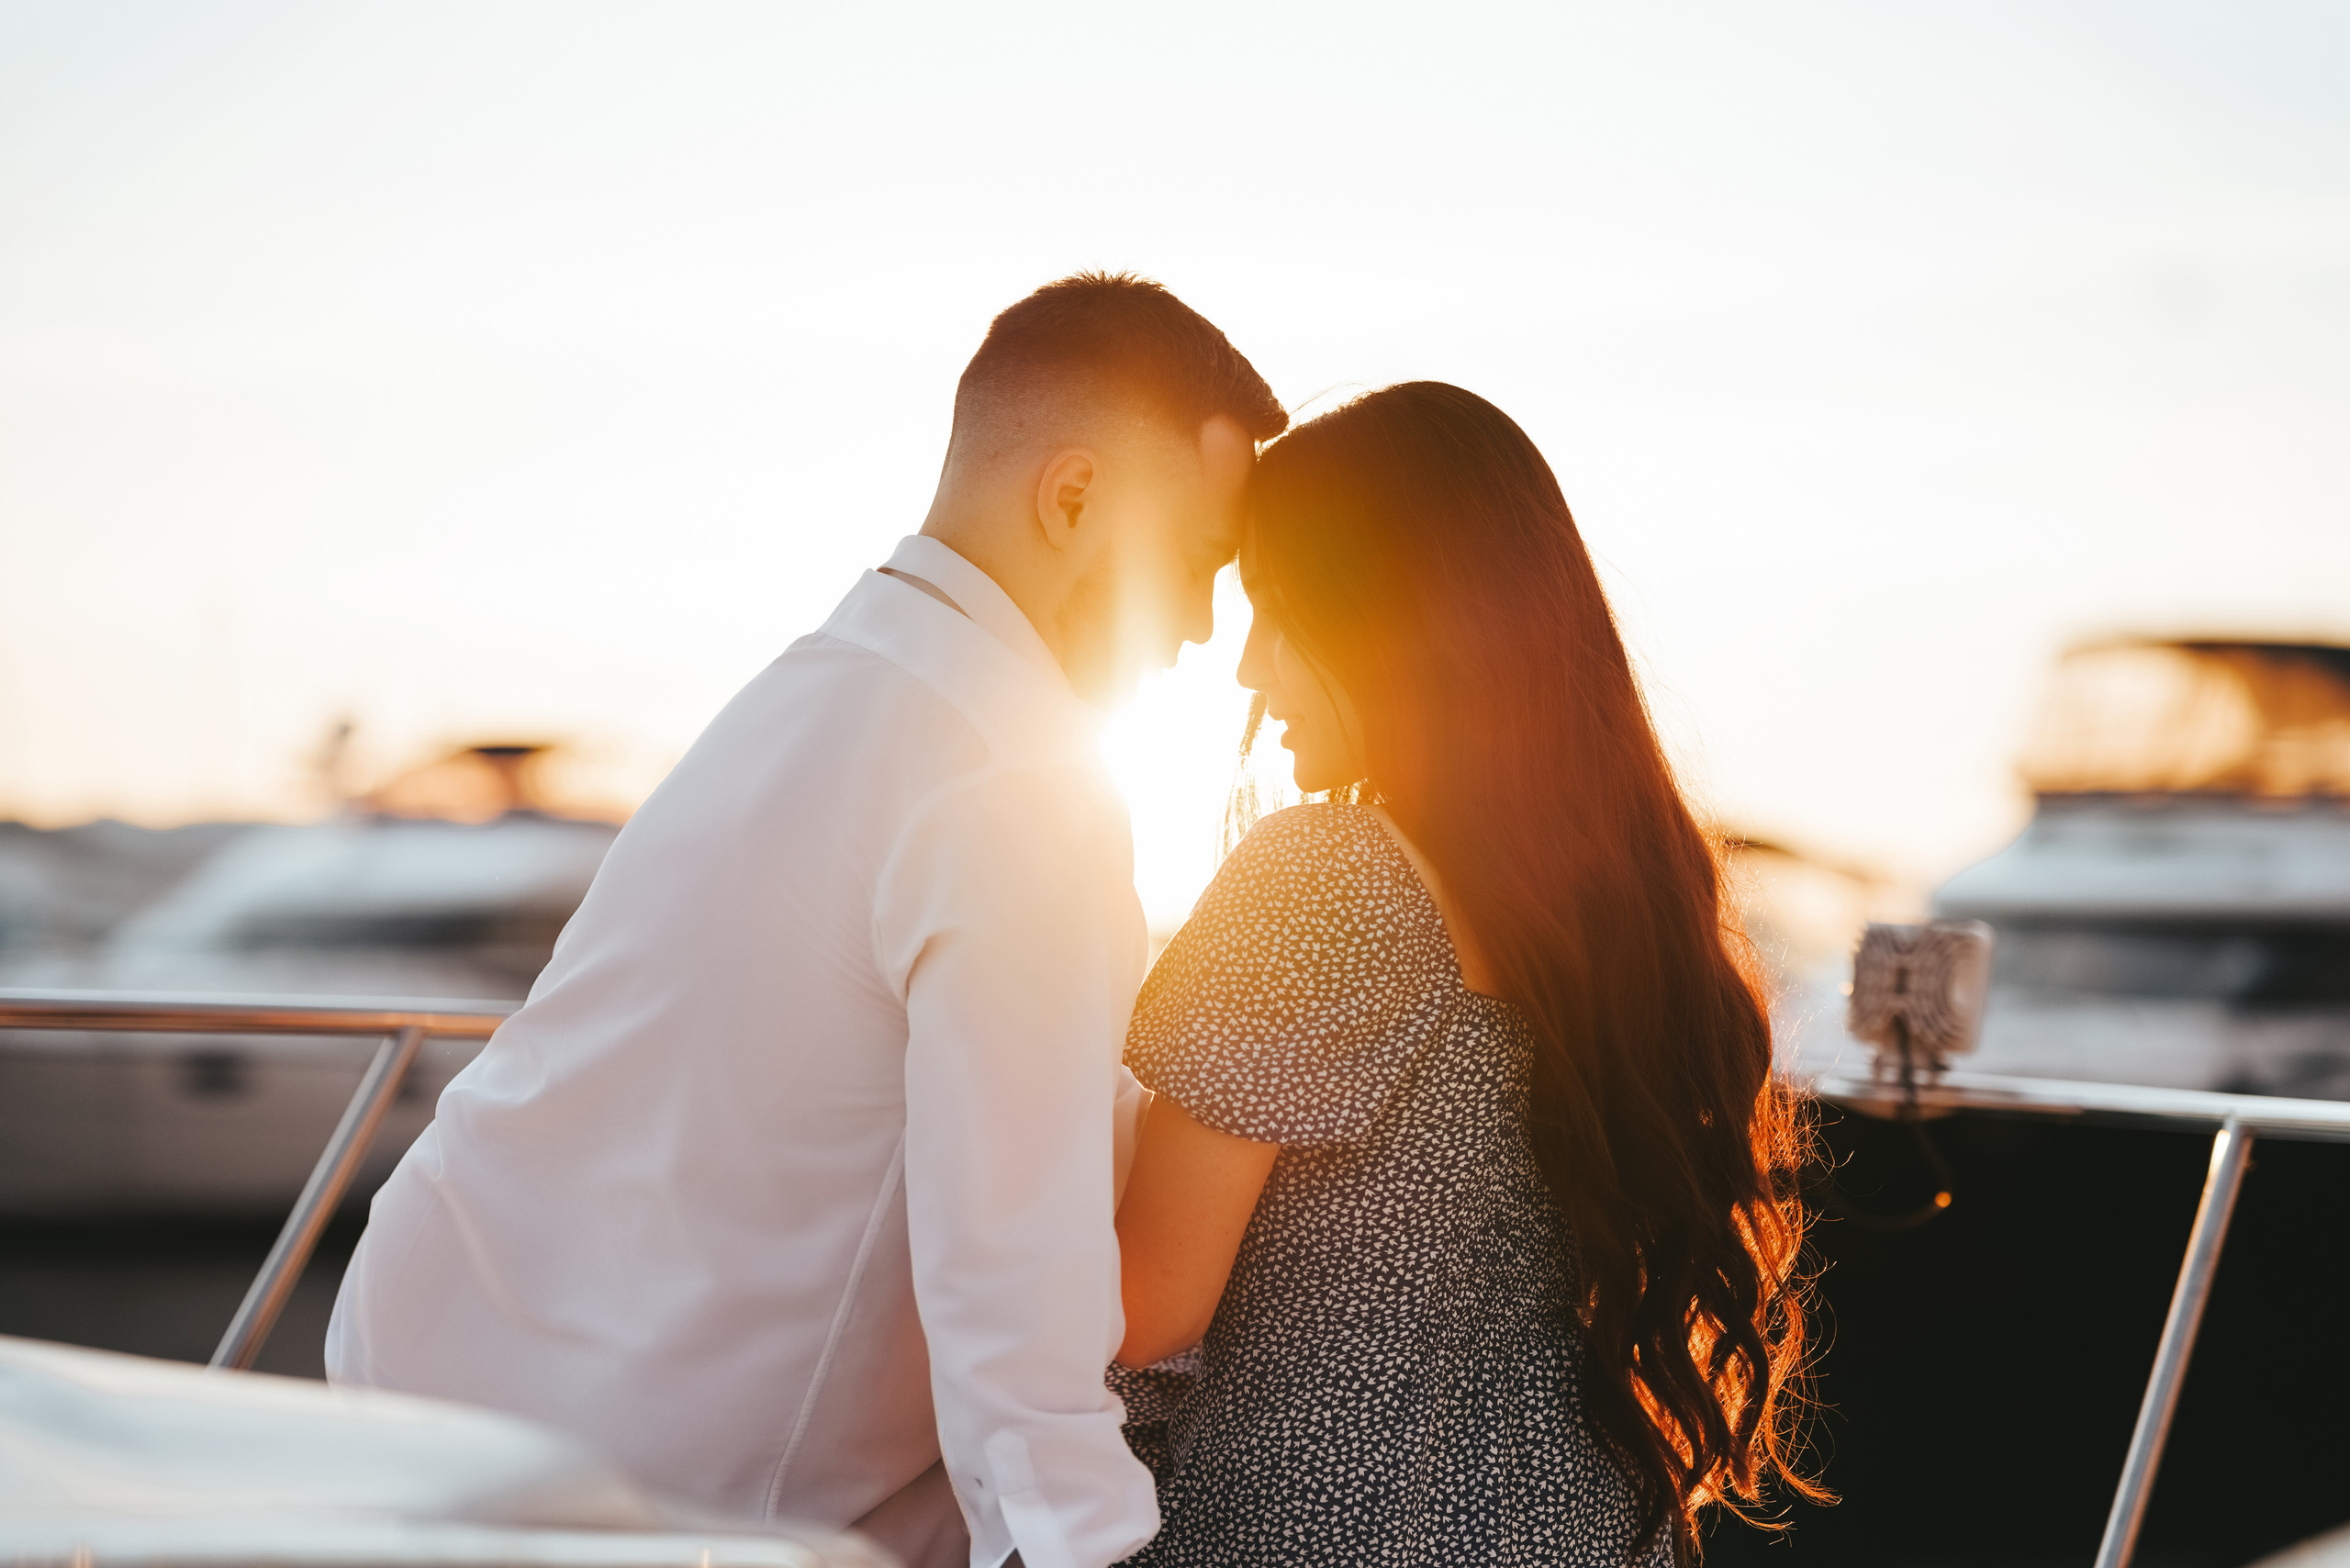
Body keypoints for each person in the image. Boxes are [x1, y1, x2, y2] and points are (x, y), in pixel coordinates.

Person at [326, 273, 1287, 1568]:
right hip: (647, 1503)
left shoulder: (820, 687)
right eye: (1195, 565)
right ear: (1072, 500)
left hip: (416, 1386)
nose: (1197, 631)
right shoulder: (1018, 783)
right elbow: (1015, 1307)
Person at [1107, 383, 1821, 1566]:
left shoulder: (1329, 878)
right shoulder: (1610, 905)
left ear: (1395, 624)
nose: (1247, 670)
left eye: (1278, 611)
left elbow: (1143, 1303)